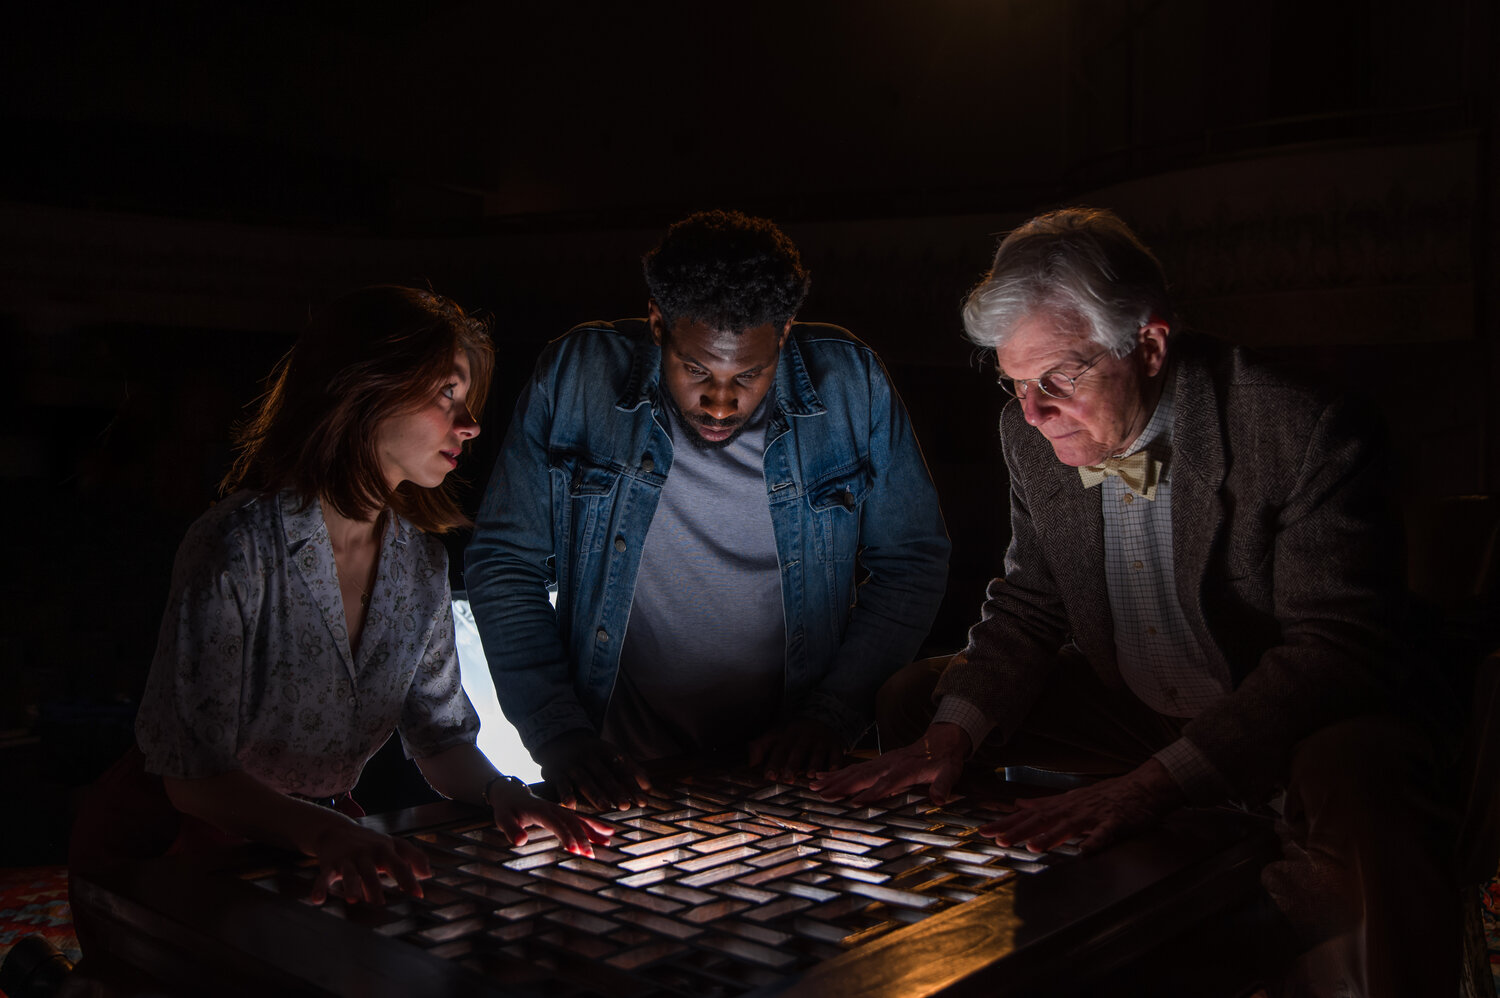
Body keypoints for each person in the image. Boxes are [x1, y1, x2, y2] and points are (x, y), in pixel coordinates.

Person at [813, 208, 1457, 996]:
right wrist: (953, 734)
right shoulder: (1031, 435)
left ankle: (1247, 951)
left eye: (1058, 378)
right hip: (1141, 701)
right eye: (1014, 383)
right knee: (923, 702)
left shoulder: (1300, 424)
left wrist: (1153, 784)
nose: (1033, 411)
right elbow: (1031, 601)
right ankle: (999, 927)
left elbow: (1336, 652)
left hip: (1294, 716)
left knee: (1365, 781)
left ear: (1147, 346)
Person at [71, 286, 610, 920]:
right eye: (447, 395)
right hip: (168, 849)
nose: (469, 424)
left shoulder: (419, 565)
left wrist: (501, 791)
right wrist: (323, 833)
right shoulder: (237, 547)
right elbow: (190, 777)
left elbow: (439, 740)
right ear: (366, 388)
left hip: (318, 843)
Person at [464, 210, 949, 811]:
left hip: (789, 768)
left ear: (785, 332)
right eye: (696, 370)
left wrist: (832, 716)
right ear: (657, 322)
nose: (720, 401)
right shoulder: (577, 375)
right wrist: (558, 734)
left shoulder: (853, 384)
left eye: (749, 374)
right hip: (620, 769)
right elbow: (504, 562)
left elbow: (911, 561)